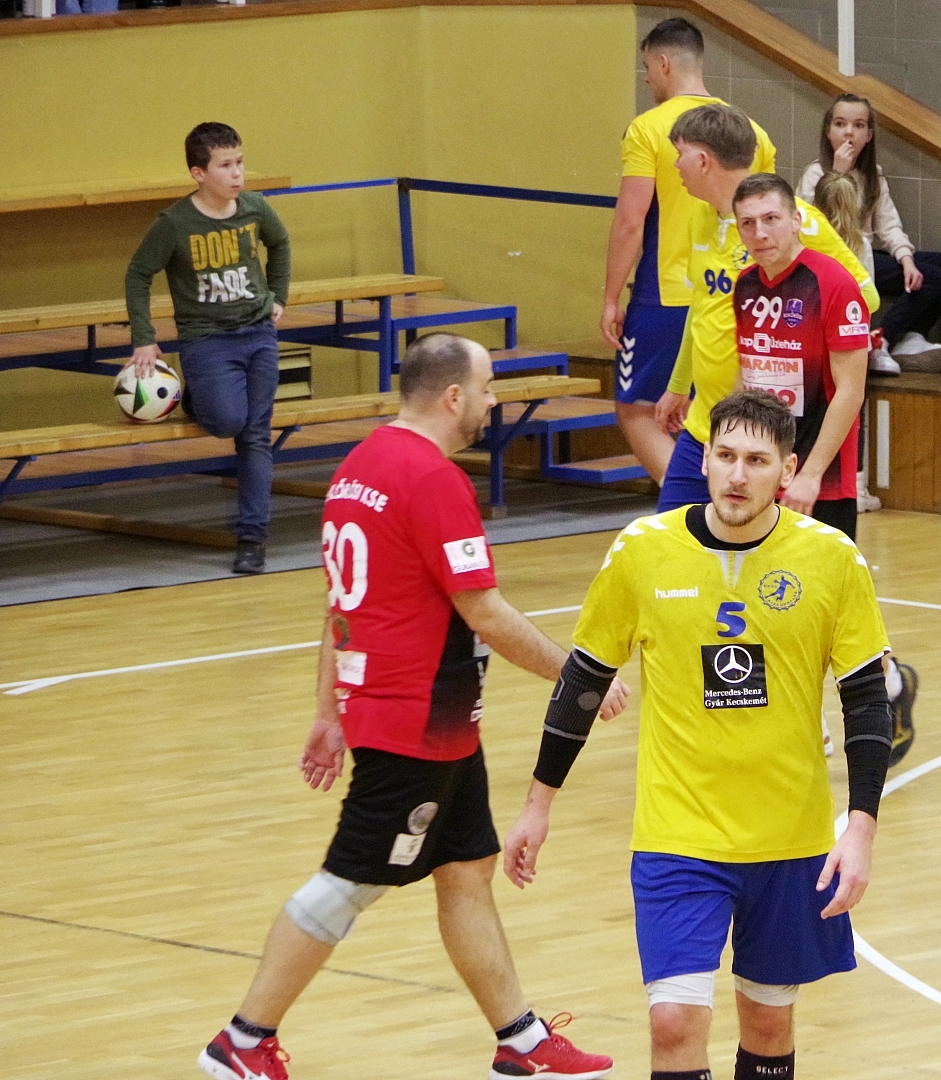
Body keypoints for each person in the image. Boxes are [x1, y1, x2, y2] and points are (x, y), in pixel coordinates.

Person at [197, 334, 620, 1080]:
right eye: (487, 388)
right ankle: (243, 1039)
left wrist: (328, 712)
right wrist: (577, 674)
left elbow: (340, 604)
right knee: (349, 881)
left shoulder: (357, 469)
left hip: (433, 721)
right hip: (413, 724)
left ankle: (520, 1041)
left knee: (466, 867)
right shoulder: (431, 479)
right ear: (453, 396)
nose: (492, 401)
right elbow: (484, 611)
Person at [503, 390, 894, 1080]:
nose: (737, 475)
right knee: (673, 1022)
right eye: (725, 456)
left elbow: (865, 701)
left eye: (757, 461)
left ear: (787, 470)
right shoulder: (643, 551)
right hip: (677, 834)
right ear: (704, 460)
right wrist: (538, 804)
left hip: (790, 839)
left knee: (768, 1024)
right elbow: (584, 681)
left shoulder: (831, 559)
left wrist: (860, 828)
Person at [732, 172, 920, 762]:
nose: (760, 233)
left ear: (796, 220)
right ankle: (802, 723)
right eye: (748, 223)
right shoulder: (744, 287)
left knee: (826, 606)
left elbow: (850, 391)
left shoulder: (832, 283)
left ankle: (889, 684)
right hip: (767, 476)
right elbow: (751, 376)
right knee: (763, 597)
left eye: (771, 219)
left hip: (822, 477)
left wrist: (810, 473)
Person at [651, 103, 876, 513]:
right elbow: (702, 305)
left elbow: (864, 297)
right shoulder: (700, 217)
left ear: (702, 160)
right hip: (710, 423)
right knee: (673, 538)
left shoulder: (799, 222)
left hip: (775, 433)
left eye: (679, 154)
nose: (675, 165)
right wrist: (679, 384)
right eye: (749, 224)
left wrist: (788, 331)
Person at [600, 18, 777, 484]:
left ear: (664, 64)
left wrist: (611, 297)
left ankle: (691, 501)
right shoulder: (753, 132)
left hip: (666, 294)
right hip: (739, 296)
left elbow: (631, 220)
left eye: (646, 68)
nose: (646, 79)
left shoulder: (647, 129)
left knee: (636, 410)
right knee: (720, 411)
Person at [125, 122, 290, 575]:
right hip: (207, 340)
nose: (237, 173)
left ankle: (252, 539)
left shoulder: (255, 208)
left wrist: (277, 296)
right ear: (199, 173)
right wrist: (144, 336)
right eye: (225, 165)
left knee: (255, 435)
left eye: (240, 162)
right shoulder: (175, 224)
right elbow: (138, 275)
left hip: (258, 333)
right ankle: (196, 396)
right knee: (228, 421)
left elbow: (280, 244)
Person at [797, 94, 941, 374]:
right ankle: (880, 341)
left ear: (868, 135)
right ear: (828, 131)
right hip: (836, 263)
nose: (849, 133)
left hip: (866, 255)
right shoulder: (815, 174)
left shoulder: (872, 175)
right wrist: (837, 174)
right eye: (840, 124)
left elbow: (888, 226)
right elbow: (812, 229)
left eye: (858, 126)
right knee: (933, 276)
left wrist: (906, 260)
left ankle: (908, 336)